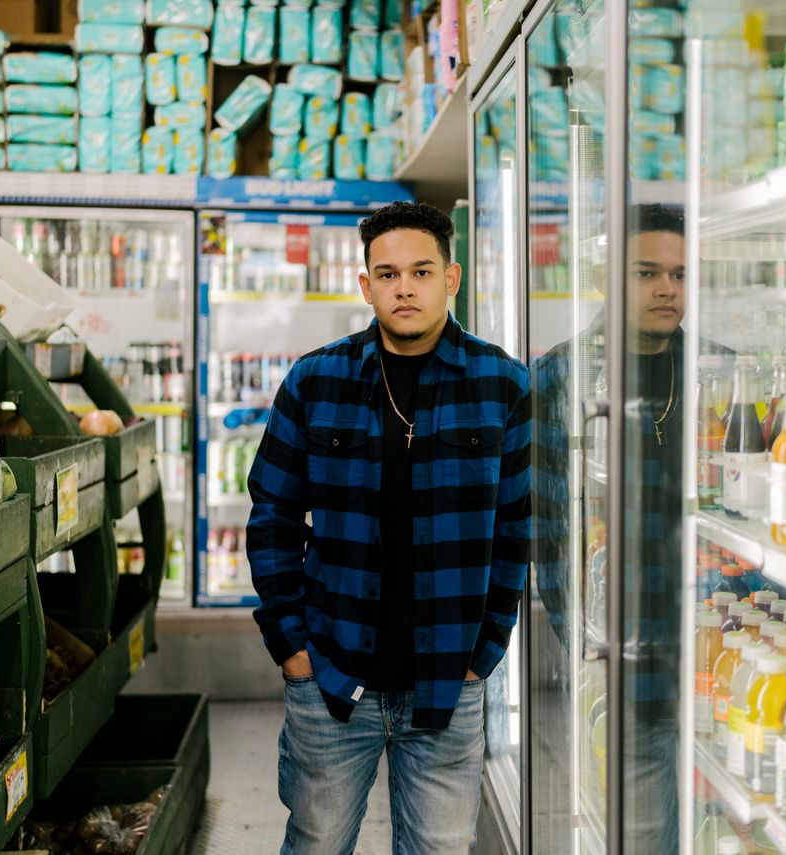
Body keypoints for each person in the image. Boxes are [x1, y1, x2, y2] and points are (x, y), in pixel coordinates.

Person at [246, 200, 532, 854]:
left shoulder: (503, 385)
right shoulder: (316, 381)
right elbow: (272, 515)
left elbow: (517, 530)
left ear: (452, 279)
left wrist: (484, 652)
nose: (405, 286)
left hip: (447, 683)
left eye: (422, 271)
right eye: (388, 273)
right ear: (366, 284)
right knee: (316, 842)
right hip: (332, 673)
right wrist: (292, 647)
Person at [531, 204, 688, 854]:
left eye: (680, 274)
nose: (667, 289)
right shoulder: (559, 378)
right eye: (647, 272)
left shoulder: (719, 374)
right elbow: (546, 535)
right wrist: (590, 652)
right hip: (626, 672)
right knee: (643, 838)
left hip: (719, 660)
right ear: (608, 275)